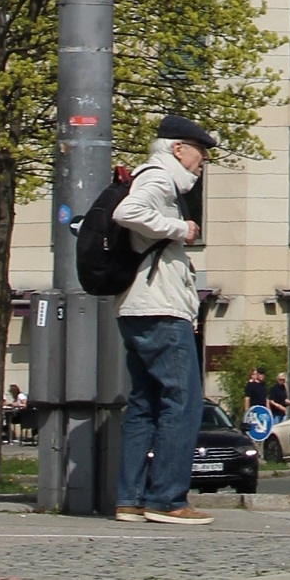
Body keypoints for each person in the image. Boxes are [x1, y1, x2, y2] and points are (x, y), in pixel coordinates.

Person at [114, 111, 214, 521]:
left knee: (144, 404)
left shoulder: (152, 177)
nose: (203, 162)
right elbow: (127, 213)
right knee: (183, 401)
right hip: (160, 310)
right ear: (178, 148)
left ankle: (130, 500)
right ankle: (167, 500)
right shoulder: (157, 177)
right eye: (200, 153)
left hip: (138, 308)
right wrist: (179, 229)